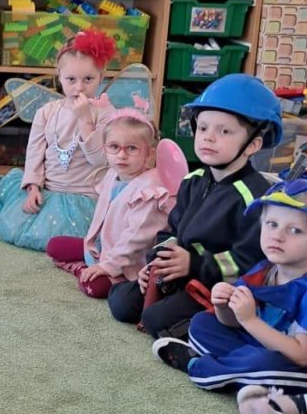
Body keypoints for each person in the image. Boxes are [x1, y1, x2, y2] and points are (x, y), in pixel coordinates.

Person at [110, 74, 280, 342]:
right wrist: (157, 262)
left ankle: (206, 332)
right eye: (203, 128)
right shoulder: (193, 180)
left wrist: (194, 264)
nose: (208, 138)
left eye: (224, 131)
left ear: (253, 144)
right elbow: (171, 230)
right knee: (121, 302)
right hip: (182, 274)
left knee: (156, 320)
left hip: (217, 286)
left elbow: (249, 261)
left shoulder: (254, 197)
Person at [152, 177, 307, 394]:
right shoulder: (264, 269)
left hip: (293, 363)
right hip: (258, 345)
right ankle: (241, 374)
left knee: (263, 362)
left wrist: (250, 320)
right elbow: (234, 322)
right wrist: (224, 307)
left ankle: (200, 367)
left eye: (295, 230)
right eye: (272, 224)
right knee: (201, 324)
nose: (277, 236)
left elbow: (301, 355)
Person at [0, 30, 114, 252]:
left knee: (89, 241)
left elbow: (99, 160)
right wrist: (33, 187)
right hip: (48, 191)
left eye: (88, 79)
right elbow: (34, 154)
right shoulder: (47, 112)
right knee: (19, 224)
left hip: (85, 198)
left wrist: (85, 120)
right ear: (59, 76)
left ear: (101, 76)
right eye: (71, 79)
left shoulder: (106, 114)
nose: (79, 87)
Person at [45, 108, 181, 297]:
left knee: (93, 286)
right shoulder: (113, 174)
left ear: (149, 155)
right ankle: (88, 266)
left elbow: (136, 240)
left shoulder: (149, 191)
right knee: (54, 246)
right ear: (105, 149)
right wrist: (94, 248)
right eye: (114, 147)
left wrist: (108, 266)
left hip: (130, 262)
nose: (121, 155)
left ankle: (83, 270)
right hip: (104, 248)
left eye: (132, 148)